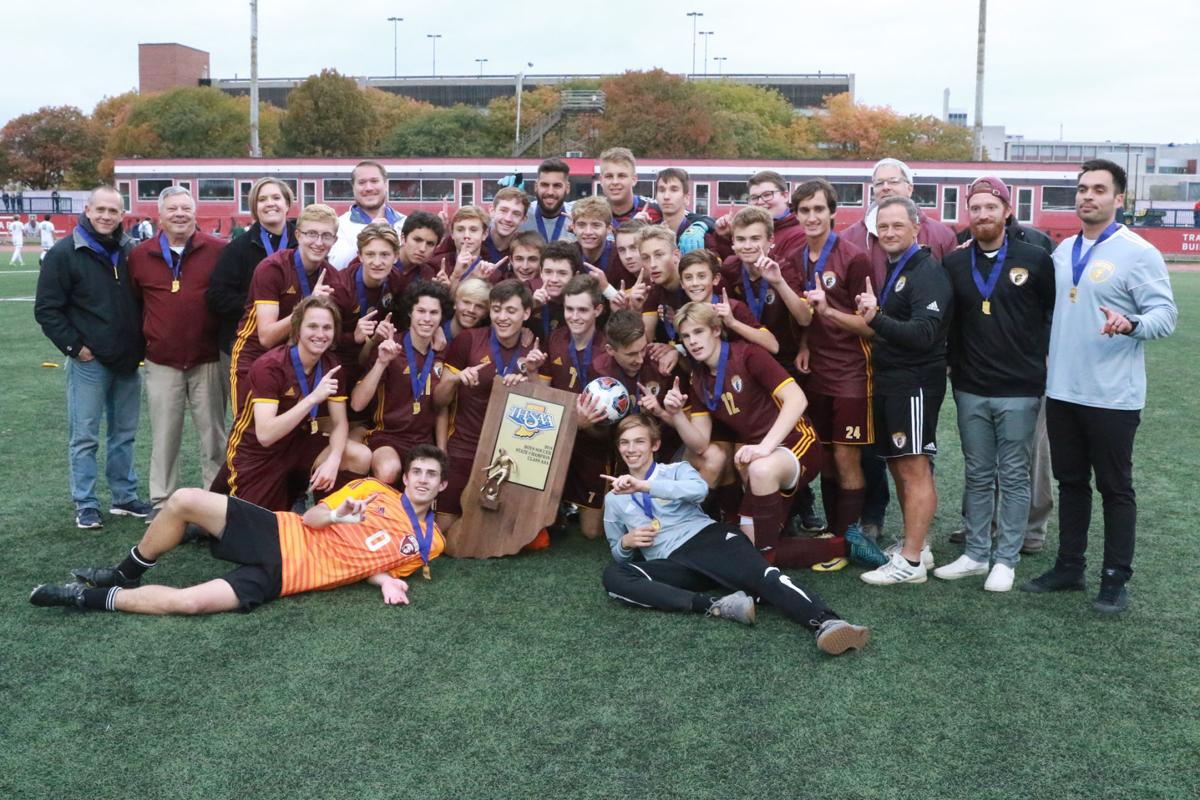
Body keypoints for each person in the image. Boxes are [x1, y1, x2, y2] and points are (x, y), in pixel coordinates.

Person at [30, 445, 449, 615]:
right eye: (417, 472)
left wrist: (384, 582)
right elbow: (311, 519)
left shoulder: (432, 542)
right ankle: (124, 571)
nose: (423, 480)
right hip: (279, 531)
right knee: (184, 500)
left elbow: (378, 559)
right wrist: (339, 516)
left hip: (285, 578)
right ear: (406, 477)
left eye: (432, 475)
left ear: (442, 485)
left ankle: (86, 597)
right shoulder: (372, 489)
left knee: (189, 604)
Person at [1021, 159, 1177, 614]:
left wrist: (1131, 323)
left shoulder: (1137, 252)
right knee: (1071, 482)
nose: (1088, 196)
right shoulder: (1064, 248)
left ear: (1118, 198)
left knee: (1115, 487)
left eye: (1099, 190)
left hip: (1112, 395)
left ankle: (1115, 579)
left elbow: (1165, 315)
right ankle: (1070, 567)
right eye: (1083, 189)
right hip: (1064, 391)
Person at [600, 414, 870, 656]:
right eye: (625, 443)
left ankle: (827, 622)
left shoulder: (675, 471)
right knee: (614, 576)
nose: (631, 449)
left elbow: (698, 492)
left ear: (654, 445)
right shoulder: (614, 499)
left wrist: (645, 486)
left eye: (639, 442)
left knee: (763, 577)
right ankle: (718, 605)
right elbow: (617, 551)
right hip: (674, 562)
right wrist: (626, 542)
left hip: (707, 540)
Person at [664, 302, 865, 570]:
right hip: (760, 457)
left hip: (796, 441)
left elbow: (797, 399)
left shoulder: (747, 354)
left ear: (715, 330)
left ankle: (763, 578)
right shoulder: (699, 378)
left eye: (698, 332)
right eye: (686, 336)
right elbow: (700, 443)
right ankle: (844, 546)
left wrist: (764, 447)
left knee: (758, 468)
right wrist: (677, 415)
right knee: (749, 545)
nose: (692, 342)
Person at [936, 177, 1055, 592]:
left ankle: (1006, 558)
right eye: (976, 208)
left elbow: (1051, 316)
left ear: (1007, 210)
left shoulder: (1036, 259)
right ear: (967, 214)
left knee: (1016, 473)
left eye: (991, 207)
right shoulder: (954, 262)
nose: (983, 215)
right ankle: (974, 552)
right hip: (970, 386)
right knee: (978, 471)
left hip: (1021, 386)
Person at [843, 158, 958, 541]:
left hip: (915, 379)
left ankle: (913, 552)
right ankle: (913, 546)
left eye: (898, 226)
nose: (890, 232)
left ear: (916, 227)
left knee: (914, 467)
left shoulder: (926, 267)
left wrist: (875, 319)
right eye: (884, 226)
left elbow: (924, 332)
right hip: (892, 377)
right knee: (899, 462)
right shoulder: (898, 265)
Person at [34, 187, 151, 529]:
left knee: (124, 433)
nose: (106, 216)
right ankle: (85, 502)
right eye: (100, 209)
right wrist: (75, 347)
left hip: (128, 360)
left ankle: (124, 496)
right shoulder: (64, 253)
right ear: (87, 209)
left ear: (121, 214)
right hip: (89, 362)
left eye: (113, 211)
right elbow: (47, 310)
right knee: (85, 436)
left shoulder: (131, 250)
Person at [790, 179, 879, 554]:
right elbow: (806, 314)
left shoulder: (854, 257)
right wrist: (806, 343)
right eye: (804, 210)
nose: (812, 217)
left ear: (832, 213)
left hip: (851, 370)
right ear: (795, 215)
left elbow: (870, 326)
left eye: (818, 209)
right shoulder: (794, 257)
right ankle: (832, 529)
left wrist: (829, 311)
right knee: (824, 454)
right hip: (817, 372)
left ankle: (847, 536)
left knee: (846, 455)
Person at [128, 187, 227, 517]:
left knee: (213, 436)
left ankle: (214, 500)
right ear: (160, 215)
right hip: (162, 362)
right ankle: (162, 501)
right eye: (173, 209)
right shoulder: (141, 255)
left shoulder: (217, 250)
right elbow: (135, 302)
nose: (180, 214)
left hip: (207, 359)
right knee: (165, 435)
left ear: (195, 213)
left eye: (186, 208)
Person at [223, 295, 370, 511]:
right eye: (312, 326)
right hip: (259, 453)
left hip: (300, 442)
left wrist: (334, 459)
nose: (320, 334)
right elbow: (265, 435)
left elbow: (340, 424)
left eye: (327, 328)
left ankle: (329, 519)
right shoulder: (269, 367)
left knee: (359, 456)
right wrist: (313, 398)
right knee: (259, 529)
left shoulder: (332, 365)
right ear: (298, 328)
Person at [432, 279, 546, 534]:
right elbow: (438, 401)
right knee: (445, 530)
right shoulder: (468, 340)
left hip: (512, 454)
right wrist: (455, 380)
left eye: (510, 310)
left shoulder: (533, 348)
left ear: (526, 313)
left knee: (507, 533)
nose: (502, 317)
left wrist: (530, 381)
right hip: (464, 445)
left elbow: (546, 414)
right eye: (496, 309)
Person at [227, 203, 340, 419]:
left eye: (326, 236)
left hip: (297, 363)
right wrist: (309, 302)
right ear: (298, 234)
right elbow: (266, 337)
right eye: (311, 234)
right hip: (254, 358)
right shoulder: (273, 268)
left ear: (334, 240)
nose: (318, 242)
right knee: (252, 436)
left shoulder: (332, 276)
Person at [206, 177, 297, 413]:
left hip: (296, 343)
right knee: (248, 417)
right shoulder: (237, 249)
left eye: (276, 198)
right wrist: (263, 307)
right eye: (262, 199)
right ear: (254, 208)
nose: (270, 204)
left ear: (288, 203)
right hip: (247, 346)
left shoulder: (304, 242)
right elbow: (217, 297)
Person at [352, 280, 451, 485]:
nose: (426, 318)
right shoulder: (390, 347)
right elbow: (357, 404)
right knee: (389, 470)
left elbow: (441, 406)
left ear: (442, 317)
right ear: (409, 313)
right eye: (420, 311)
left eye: (434, 313)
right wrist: (381, 363)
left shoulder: (442, 352)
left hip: (423, 443)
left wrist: (442, 450)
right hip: (387, 436)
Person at [537, 274, 611, 538]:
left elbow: (609, 428)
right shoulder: (555, 339)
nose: (575, 316)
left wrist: (587, 425)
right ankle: (558, 506)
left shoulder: (607, 347)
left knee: (592, 533)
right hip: (556, 440)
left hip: (594, 443)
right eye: (570, 309)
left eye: (582, 310)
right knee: (543, 522)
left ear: (598, 310)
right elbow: (544, 397)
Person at [711, 170, 806, 262]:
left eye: (767, 195)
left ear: (785, 196)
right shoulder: (744, 229)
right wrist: (725, 238)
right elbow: (733, 270)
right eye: (754, 198)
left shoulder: (800, 234)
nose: (760, 202)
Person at [328, 160, 406, 270]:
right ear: (353, 187)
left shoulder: (405, 223)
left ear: (385, 184)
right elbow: (336, 266)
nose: (368, 188)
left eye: (374, 181)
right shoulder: (338, 225)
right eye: (361, 182)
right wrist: (368, 233)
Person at [653, 167, 716, 254]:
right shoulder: (649, 234)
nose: (666, 196)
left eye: (674, 190)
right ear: (656, 196)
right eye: (662, 190)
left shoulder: (702, 238)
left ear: (686, 198)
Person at [598, 147, 662, 227]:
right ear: (601, 180)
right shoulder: (592, 213)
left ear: (634, 179)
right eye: (609, 176)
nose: (615, 182)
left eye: (621, 176)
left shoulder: (657, 210)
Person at [518, 157, 575, 242]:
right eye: (544, 185)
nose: (550, 192)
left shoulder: (577, 217)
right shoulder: (521, 216)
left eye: (557, 186)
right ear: (536, 186)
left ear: (567, 188)